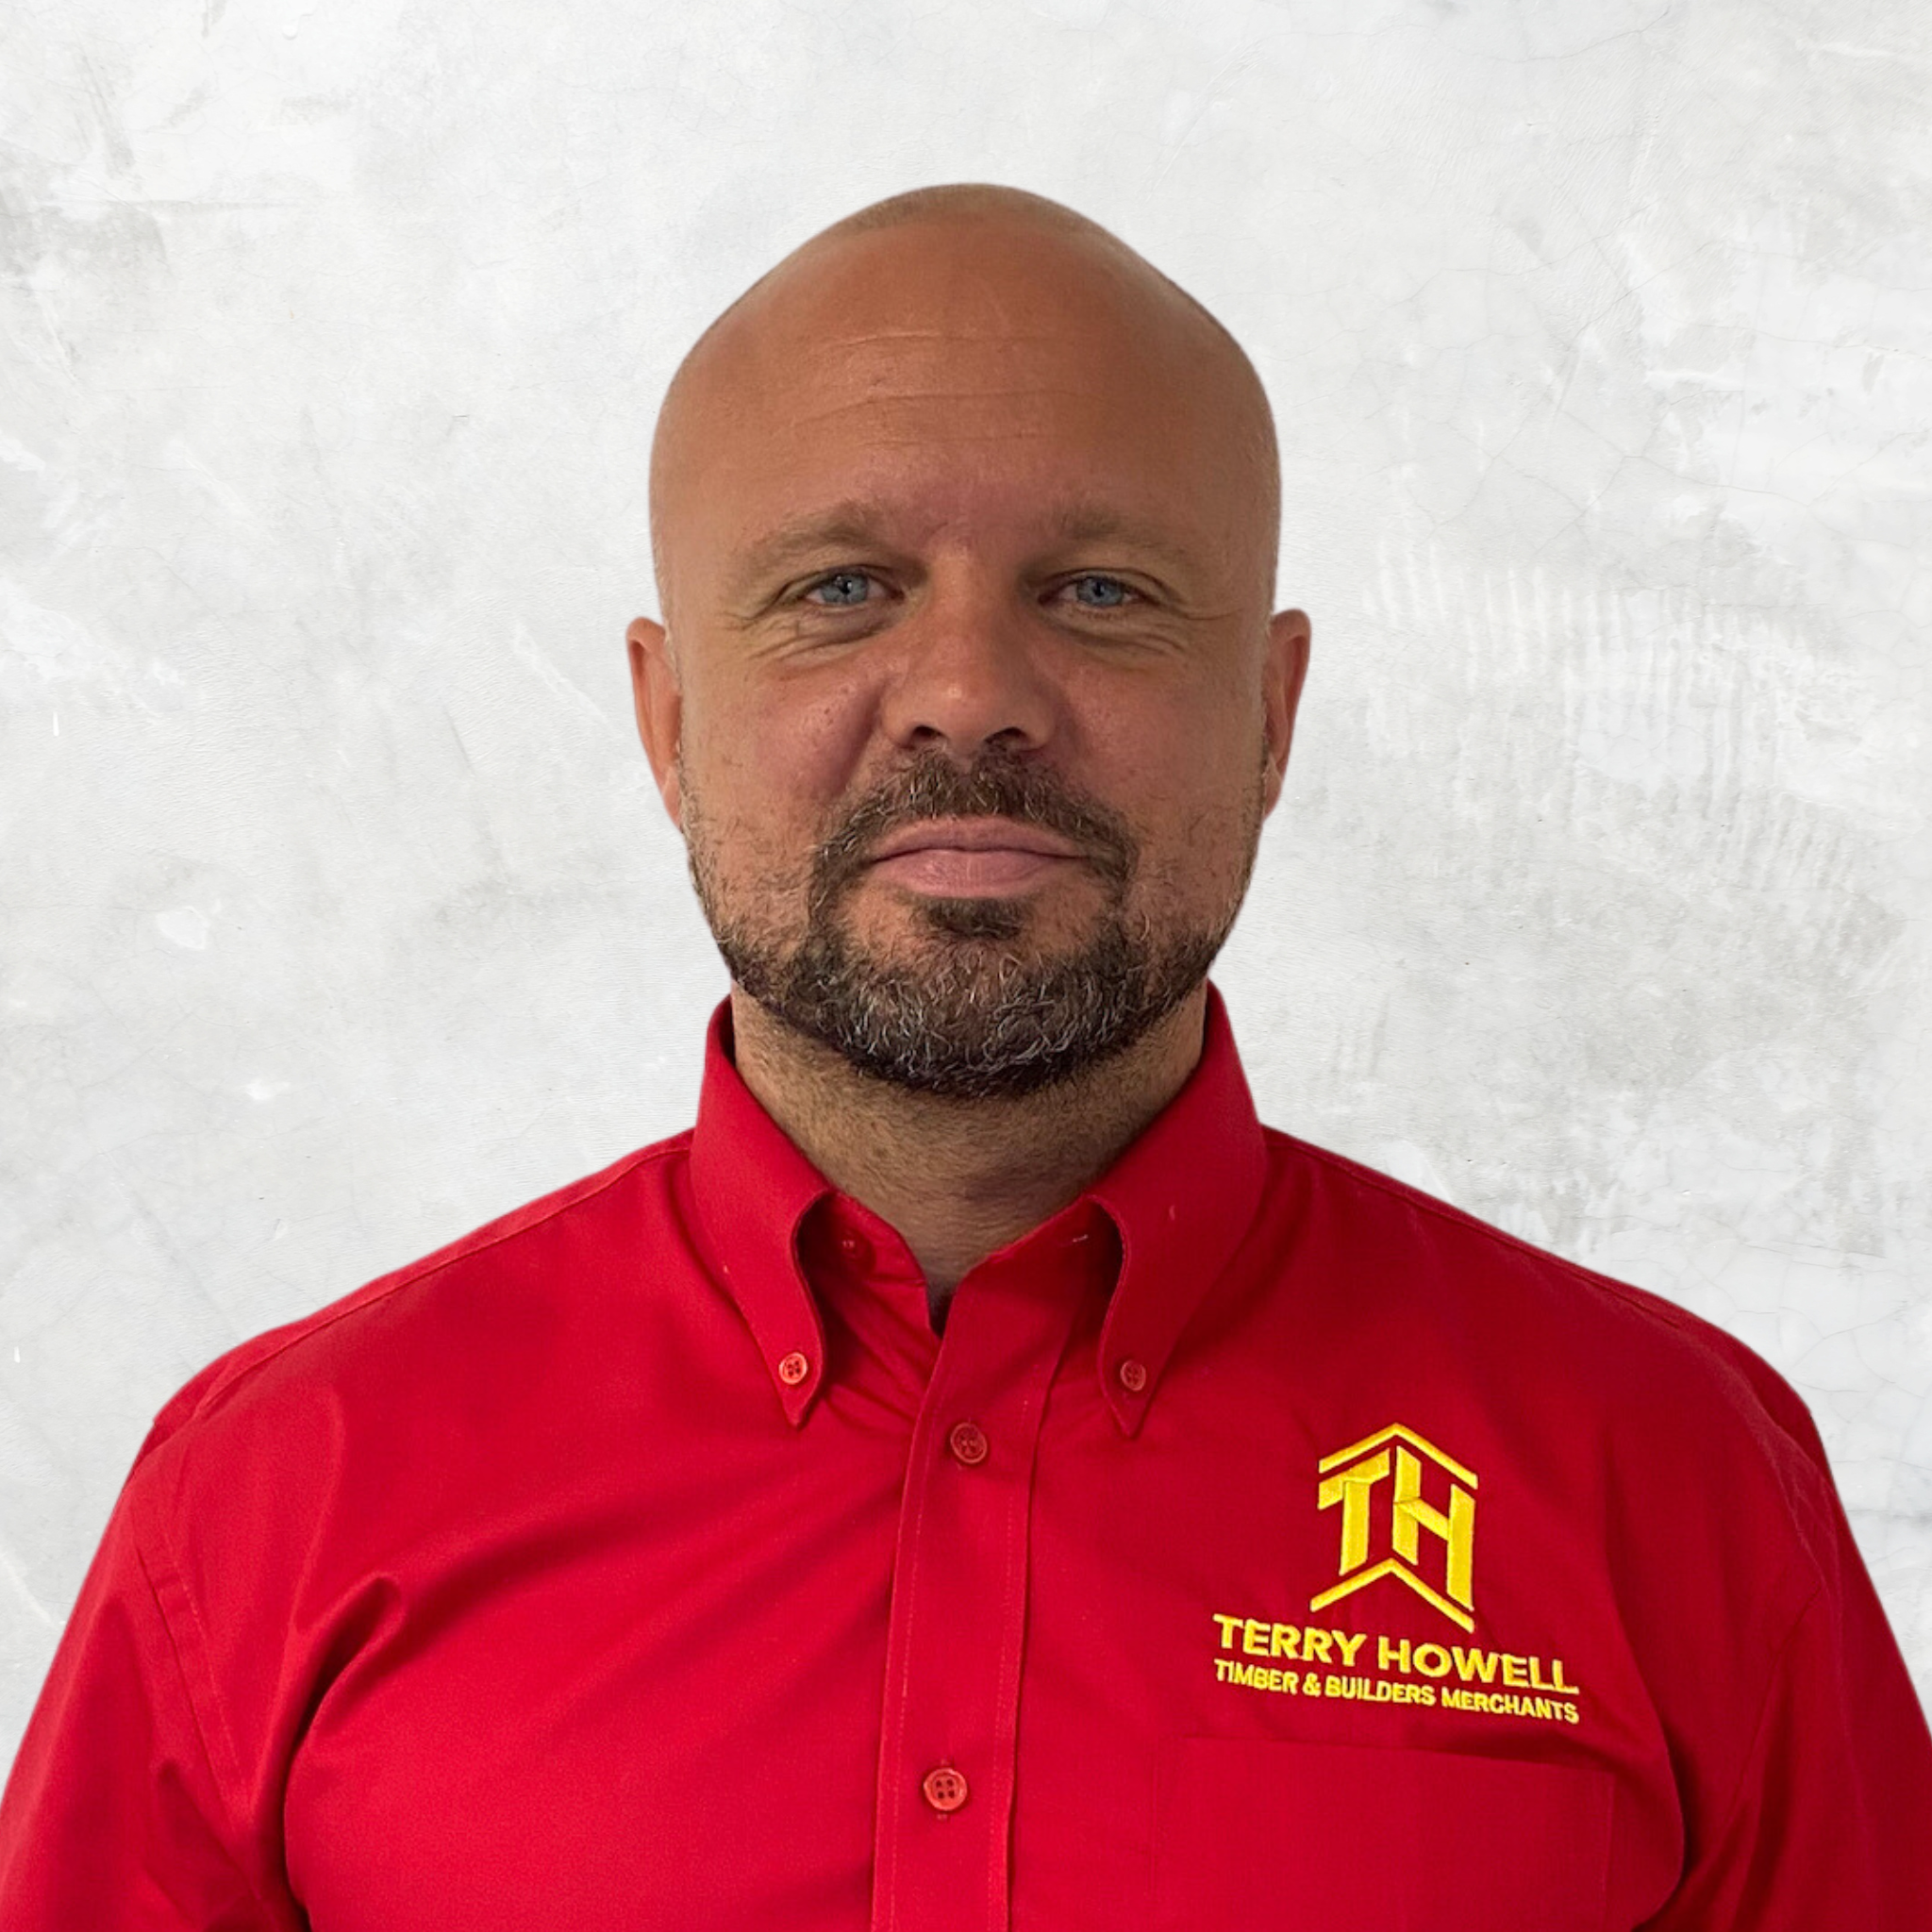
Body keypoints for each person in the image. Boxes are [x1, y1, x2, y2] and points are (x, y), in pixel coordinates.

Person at [0, 183, 1925, 1930]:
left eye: (1099, 592)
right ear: (669, 722)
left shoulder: (1671, 1480)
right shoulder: (279, 1494)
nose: (969, 696)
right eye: (840, 589)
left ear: (1270, 715)